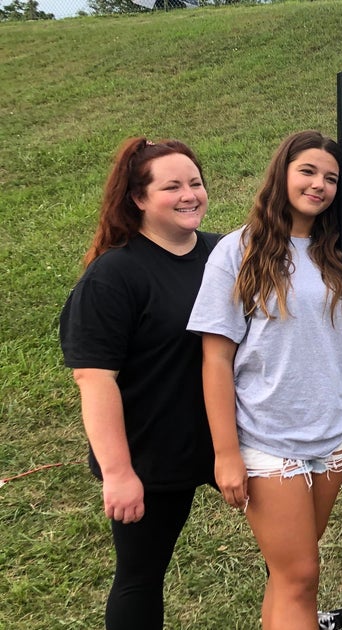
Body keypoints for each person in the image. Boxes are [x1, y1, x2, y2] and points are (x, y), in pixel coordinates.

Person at [188, 131, 342, 630]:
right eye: (308, 171)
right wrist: (226, 453)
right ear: (282, 174)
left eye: (331, 178)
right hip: (268, 440)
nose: (319, 185)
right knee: (301, 576)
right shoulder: (239, 251)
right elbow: (215, 359)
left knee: (290, 575)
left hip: (334, 437)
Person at [58, 138, 219, 629]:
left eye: (195, 183)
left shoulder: (223, 253)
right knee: (141, 577)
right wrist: (118, 473)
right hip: (152, 452)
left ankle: (298, 617)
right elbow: (93, 378)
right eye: (171, 187)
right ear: (138, 198)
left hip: (230, 438)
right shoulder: (114, 275)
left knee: (288, 548)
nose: (188, 195)